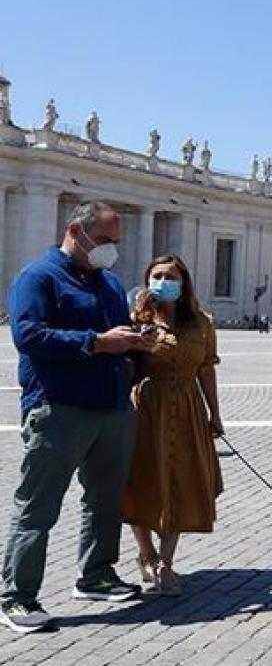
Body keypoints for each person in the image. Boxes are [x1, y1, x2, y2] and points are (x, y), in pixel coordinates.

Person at [2, 202, 155, 635]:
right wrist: (97, 343)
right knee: (38, 504)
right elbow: (27, 334)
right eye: (106, 241)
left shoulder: (107, 282)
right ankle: (17, 596)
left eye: (115, 243)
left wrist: (135, 341)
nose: (112, 250)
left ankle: (96, 575)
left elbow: (117, 332)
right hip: (59, 407)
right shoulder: (38, 276)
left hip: (112, 406)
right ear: (76, 230)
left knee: (105, 499)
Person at [122, 256, 224, 596]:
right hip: (146, 408)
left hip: (188, 408)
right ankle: (146, 553)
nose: (164, 281)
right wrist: (138, 342)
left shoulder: (202, 323)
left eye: (171, 276)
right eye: (157, 276)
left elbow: (207, 369)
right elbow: (122, 365)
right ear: (147, 280)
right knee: (141, 482)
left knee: (180, 483)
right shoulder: (135, 319)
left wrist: (215, 414)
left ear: (184, 282)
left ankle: (165, 562)